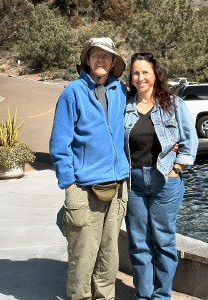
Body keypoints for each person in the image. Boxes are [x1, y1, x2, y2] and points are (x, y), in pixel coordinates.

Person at [49, 37, 129, 300]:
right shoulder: (72, 92)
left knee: (110, 254)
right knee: (83, 255)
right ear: (87, 60)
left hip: (117, 187)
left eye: (106, 56)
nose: (101, 60)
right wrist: (69, 184)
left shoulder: (121, 91)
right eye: (96, 55)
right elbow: (60, 144)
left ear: (114, 62)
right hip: (83, 188)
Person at [124, 52, 198, 300]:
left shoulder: (173, 105)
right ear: (131, 77)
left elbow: (190, 143)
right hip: (133, 183)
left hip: (165, 181)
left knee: (164, 241)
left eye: (145, 72)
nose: (140, 77)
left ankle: (162, 295)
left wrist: (176, 170)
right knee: (138, 243)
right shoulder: (125, 107)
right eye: (136, 72)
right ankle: (144, 295)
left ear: (155, 75)